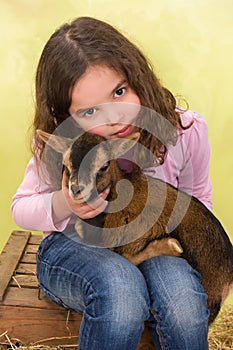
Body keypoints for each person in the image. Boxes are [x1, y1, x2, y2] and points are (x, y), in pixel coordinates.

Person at [11, 17, 212, 350]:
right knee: (121, 291)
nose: (114, 116)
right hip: (74, 248)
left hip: (154, 244)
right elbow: (21, 208)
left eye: (119, 92)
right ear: (65, 118)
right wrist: (65, 203)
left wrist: (191, 252)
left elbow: (197, 197)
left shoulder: (183, 131)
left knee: (184, 304)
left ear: (138, 76)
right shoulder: (63, 146)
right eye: (90, 112)